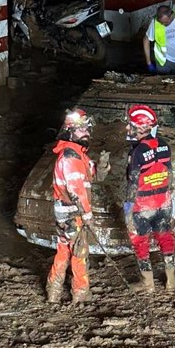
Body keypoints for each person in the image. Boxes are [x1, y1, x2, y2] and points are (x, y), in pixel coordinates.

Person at [46, 108, 108, 304]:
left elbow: (91, 177)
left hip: (65, 213)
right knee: (80, 253)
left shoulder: (79, 154)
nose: (86, 132)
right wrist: (88, 215)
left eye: (87, 128)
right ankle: (80, 294)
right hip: (73, 214)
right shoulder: (71, 156)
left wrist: (103, 167)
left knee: (64, 250)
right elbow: (77, 191)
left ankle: (53, 291)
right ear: (70, 132)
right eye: (81, 129)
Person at [124, 104, 175, 293]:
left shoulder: (137, 152)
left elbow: (133, 182)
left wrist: (128, 210)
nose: (127, 129)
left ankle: (148, 284)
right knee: (166, 237)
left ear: (139, 127)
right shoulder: (164, 144)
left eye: (130, 125)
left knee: (140, 242)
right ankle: (171, 280)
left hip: (143, 204)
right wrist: (169, 197)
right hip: (163, 201)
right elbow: (170, 173)